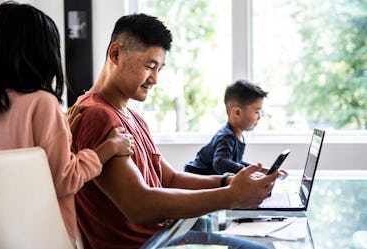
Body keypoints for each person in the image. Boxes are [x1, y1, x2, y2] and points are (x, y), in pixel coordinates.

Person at [72, 13, 282, 249]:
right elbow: (139, 206)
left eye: (160, 69)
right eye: (149, 66)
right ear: (116, 54)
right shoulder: (95, 115)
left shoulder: (133, 117)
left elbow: (169, 179)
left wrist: (228, 181)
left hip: (165, 237)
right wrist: (231, 196)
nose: (155, 79)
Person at [0, 1, 134, 247]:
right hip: (42, 236)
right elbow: (64, 179)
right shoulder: (42, 103)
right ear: (42, 54)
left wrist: (61, 133)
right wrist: (108, 148)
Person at [184, 80, 267, 175]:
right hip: (195, 178)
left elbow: (236, 164)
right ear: (237, 112)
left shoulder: (236, 135)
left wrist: (264, 170)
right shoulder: (226, 137)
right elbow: (220, 163)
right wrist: (248, 172)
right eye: (256, 112)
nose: (259, 117)